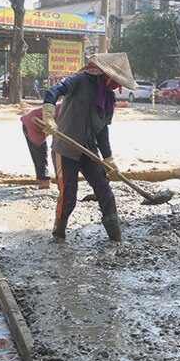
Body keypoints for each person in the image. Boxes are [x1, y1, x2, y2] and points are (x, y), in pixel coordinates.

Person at [39, 53, 135, 241]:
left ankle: (116, 237)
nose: (117, 86)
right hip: (66, 147)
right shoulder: (80, 80)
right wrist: (49, 116)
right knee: (69, 194)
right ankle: (58, 234)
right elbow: (52, 91)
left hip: (89, 150)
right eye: (115, 81)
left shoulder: (108, 98)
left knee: (104, 189)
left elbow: (102, 130)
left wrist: (109, 158)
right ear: (106, 75)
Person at [20, 103, 61, 189]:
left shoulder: (69, 108)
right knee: (39, 152)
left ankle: (44, 178)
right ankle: (43, 179)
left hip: (44, 122)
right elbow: (56, 149)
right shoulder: (66, 110)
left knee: (44, 150)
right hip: (32, 122)